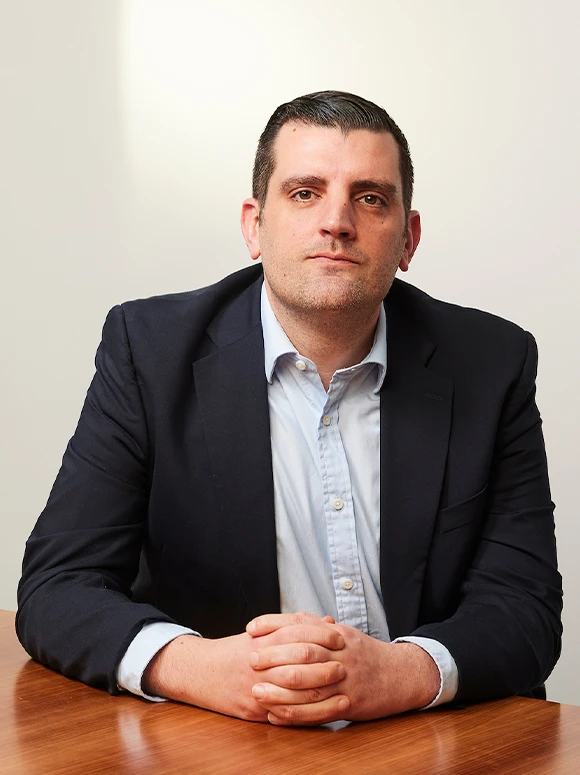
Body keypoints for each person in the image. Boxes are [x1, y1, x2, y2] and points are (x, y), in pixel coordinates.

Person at [17, 91, 562, 727]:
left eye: (371, 197)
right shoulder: (149, 351)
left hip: (425, 734)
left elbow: (524, 607)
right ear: (255, 225)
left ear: (408, 237)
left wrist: (402, 672)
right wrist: (201, 666)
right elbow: (59, 586)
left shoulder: (492, 364)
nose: (337, 221)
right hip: (226, 740)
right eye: (304, 192)